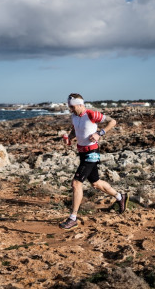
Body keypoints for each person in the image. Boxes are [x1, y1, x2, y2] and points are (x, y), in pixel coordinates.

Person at [59, 93, 128, 230]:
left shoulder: (91, 114)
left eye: (72, 106)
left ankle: (73, 218)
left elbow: (112, 122)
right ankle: (121, 197)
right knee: (96, 183)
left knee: (76, 183)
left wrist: (99, 133)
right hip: (82, 153)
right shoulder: (74, 116)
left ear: (80, 104)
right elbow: (75, 131)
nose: (70, 109)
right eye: (69, 106)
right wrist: (69, 138)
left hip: (92, 153)